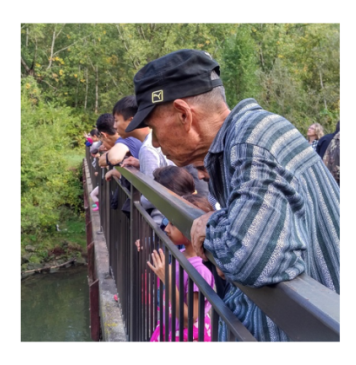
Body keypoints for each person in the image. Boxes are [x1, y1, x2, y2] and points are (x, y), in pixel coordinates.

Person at [127, 49, 339, 341]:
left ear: (183, 114)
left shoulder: (252, 140)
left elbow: (251, 258)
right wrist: (223, 220)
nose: (156, 143)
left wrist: (209, 225)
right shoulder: (238, 142)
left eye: (153, 128)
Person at [147, 194, 216, 342]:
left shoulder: (200, 270)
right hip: (171, 328)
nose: (166, 228)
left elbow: (189, 319)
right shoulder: (181, 255)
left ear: (191, 229)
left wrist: (167, 279)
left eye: (172, 223)